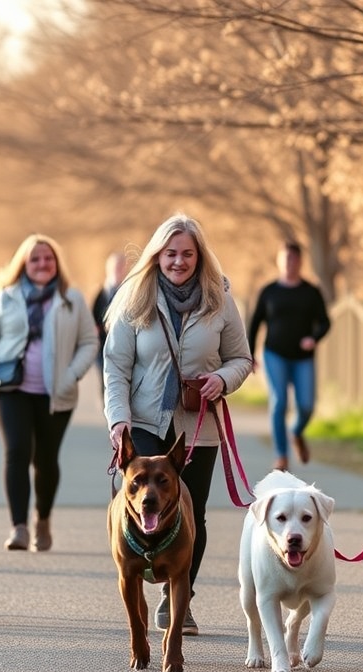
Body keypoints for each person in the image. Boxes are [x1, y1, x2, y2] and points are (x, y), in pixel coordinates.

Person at [103, 212, 253, 636]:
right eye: (171, 253)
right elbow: (115, 367)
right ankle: (137, 575)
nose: (178, 261)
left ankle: (177, 598)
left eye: (187, 254)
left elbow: (241, 358)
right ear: (158, 254)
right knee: (137, 508)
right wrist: (119, 421)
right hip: (145, 419)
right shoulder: (136, 296)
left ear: (200, 255)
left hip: (199, 422)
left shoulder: (219, 299)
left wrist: (221, 380)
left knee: (193, 513)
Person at [0, 234, 98, 552]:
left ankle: (42, 519)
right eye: (35, 259)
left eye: (48, 258)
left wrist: (71, 375)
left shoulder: (73, 299)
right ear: (23, 265)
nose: (42, 264)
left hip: (57, 394)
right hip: (12, 390)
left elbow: (89, 342)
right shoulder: (6, 298)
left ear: (56, 264)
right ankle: (19, 528)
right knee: (16, 453)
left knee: (45, 459)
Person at [246, 241, 330, 470]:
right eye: (285, 259)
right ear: (279, 262)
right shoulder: (269, 291)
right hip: (275, 354)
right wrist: (250, 354)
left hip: (303, 358)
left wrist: (314, 338)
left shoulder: (311, 292)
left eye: (294, 259)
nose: (289, 263)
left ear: (300, 262)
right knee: (279, 402)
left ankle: (295, 432)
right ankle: (281, 456)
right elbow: (254, 324)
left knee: (306, 406)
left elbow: (325, 322)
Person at [91, 251, 127, 400]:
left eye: (120, 266)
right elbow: (92, 317)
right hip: (102, 346)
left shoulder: (128, 291)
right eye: (114, 266)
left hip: (122, 345)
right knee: (105, 380)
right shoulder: (100, 293)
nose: (117, 270)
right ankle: (109, 411)